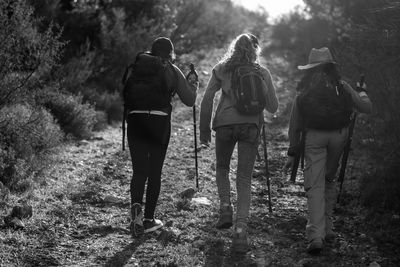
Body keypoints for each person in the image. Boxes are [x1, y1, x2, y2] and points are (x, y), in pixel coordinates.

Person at [284, 47, 372, 254]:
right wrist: (363, 92)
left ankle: (316, 236)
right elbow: (366, 108)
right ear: (332, 66)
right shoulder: (341, 86)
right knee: (329, 180)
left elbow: (294, 124)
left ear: (310, 68)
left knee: (315, 187)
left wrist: (292, 151)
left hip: (313, 137)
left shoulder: (304, 90)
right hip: (339, 136)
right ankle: (329, 228)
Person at [199, 33, 278, 252]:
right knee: (244, 178)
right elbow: (273, 107)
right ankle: (241, 232)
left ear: (234, 47)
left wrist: (204, 130)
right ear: (255, 50)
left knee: (222, 168)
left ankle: (225, 207)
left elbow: (207, 100)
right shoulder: (262, 72)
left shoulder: (221, 68)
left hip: (224, 124)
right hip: (250, 127)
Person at [126, 37, 198, 236]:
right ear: (170, 54)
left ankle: (136, 214)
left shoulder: (138, 67)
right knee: (154, 171)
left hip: (135, 120)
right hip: (159, 122)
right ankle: (149, 220)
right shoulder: (172, 70)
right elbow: (190, 100)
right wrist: (194, 84)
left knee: (139, 171)